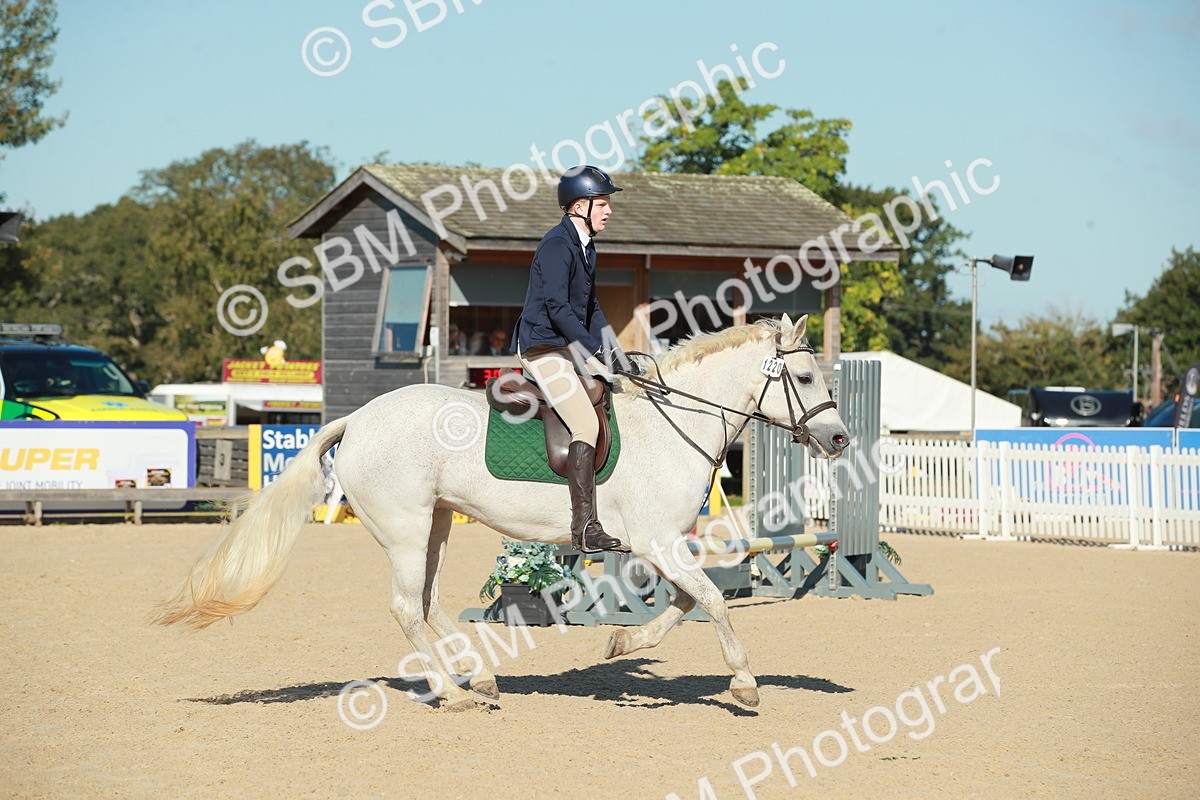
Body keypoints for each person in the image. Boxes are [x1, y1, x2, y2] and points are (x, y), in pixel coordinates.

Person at [511, 165, 638, 552]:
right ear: (580, 206)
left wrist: (614, 349)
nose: (609, 211)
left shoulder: (585, 245)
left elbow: (590, 307)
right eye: (603, 204)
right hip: (542, 348)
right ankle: (584, 527)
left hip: (565, 345)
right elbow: (557, 308)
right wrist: (595, 351)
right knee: (585, 425)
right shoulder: (556, 245)